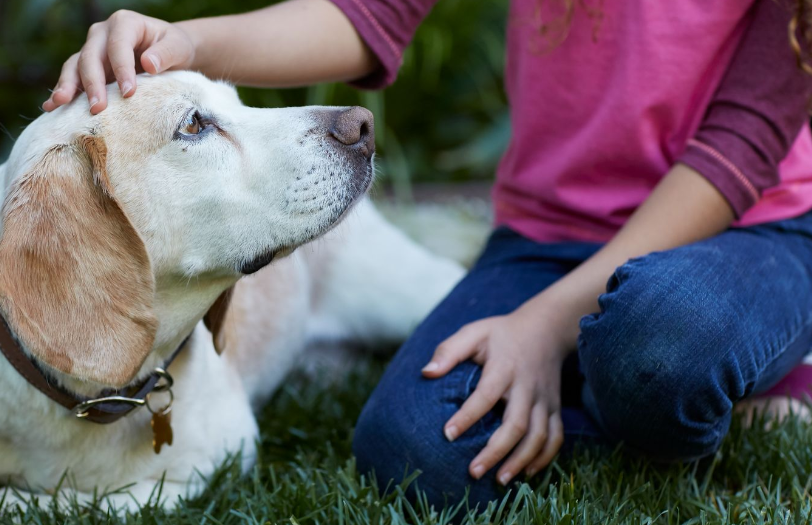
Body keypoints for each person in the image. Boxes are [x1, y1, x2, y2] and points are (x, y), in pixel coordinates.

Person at [45, 0, 812, 511]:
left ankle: (690, 368)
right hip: (545, 238)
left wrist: (544, 327)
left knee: (657, 342)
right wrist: (188, 42)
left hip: (745, 230)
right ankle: (683, 388)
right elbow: (365, 17)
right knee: (411, 449)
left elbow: (736, 151)